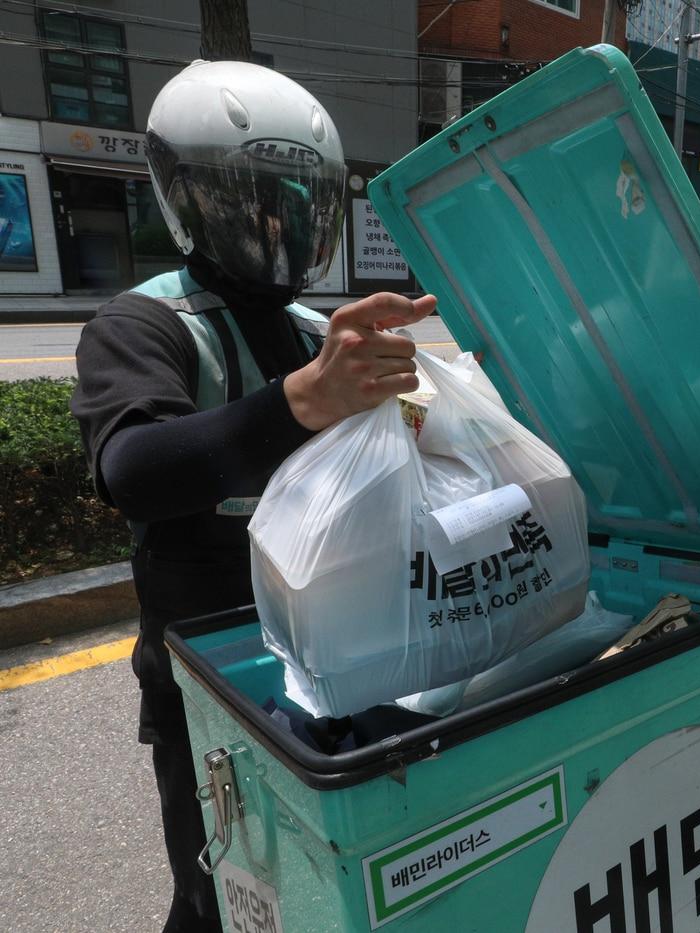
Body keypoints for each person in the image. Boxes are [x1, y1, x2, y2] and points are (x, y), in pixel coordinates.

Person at [71, 61, 436, 932]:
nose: (280, 226)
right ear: (188, 202)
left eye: (301, 202)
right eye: (252, 202)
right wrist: (302, 401)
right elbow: (135, 469)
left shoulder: (322, 329)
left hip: (343, 667)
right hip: (211, 689)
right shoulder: (146, 324)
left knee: (344, 893)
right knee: (223, 898)